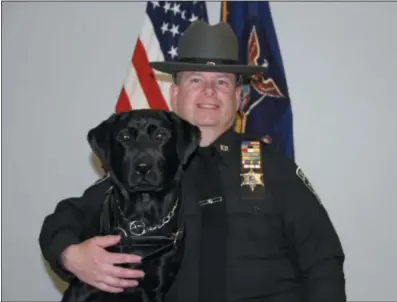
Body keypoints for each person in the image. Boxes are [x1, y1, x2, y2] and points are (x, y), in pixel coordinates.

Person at [39, 21, 346, 302]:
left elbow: (322, 262)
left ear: (239, 98)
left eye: (223, 82)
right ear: (175, 94)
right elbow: (65, 219)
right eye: (196, 79)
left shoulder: (271, 167)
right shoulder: (147, 168)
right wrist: (72, 256)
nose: (209, 92)